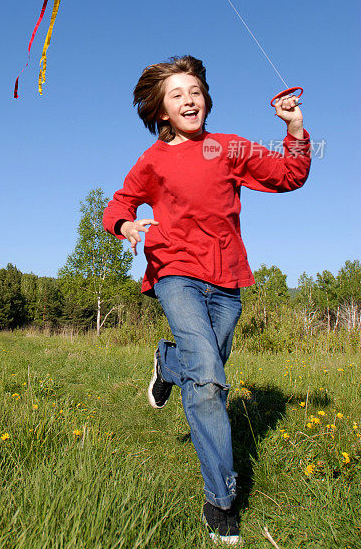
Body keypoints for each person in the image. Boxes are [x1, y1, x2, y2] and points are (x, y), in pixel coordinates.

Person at [102, 55, 311, 545]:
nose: (188, 99)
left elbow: (290, 174)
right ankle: (221, 499)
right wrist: (126, 225)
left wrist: (296, 126)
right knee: (211, 385)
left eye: (194, 90)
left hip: (227, 280)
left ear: (206, 99)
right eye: (176, 94)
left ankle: (166, 362)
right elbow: (119, 203)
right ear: (160, 108)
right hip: (175, 273)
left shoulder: (229, 148)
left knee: (203, 367)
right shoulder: (152, 160)